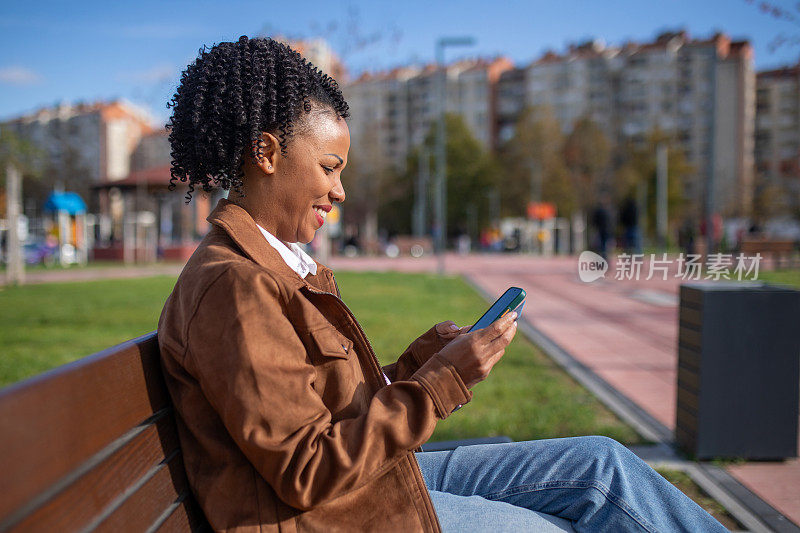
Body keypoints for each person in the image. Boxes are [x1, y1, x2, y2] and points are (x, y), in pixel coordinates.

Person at [158, 36, 727, 532]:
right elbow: (307, 472)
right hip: (332, 518)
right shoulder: (235, 286)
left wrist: (425, 361)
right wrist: (441, 382)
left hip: (361, 490)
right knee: (567, 524)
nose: (340, 191)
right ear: (266, 152)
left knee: (600, 467)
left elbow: (336, 419)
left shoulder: (270, 266)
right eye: (330, 167)